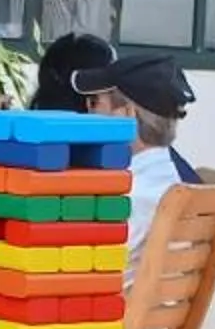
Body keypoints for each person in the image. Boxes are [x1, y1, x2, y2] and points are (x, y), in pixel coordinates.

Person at [34, 32, 200, 285]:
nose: (88, 113)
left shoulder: (129, 197)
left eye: (93, 102)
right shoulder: (173, 181)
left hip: (98, 318)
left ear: (127, 115)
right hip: (152, 320)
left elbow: (69, 270)